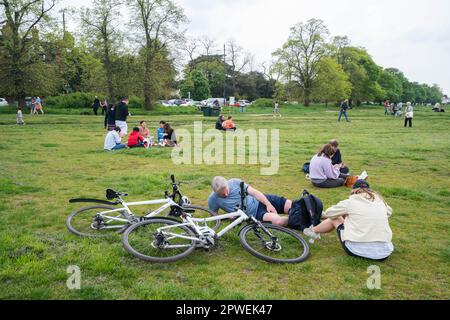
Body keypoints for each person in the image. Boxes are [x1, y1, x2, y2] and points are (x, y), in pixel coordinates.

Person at [303, 180, 394, 261]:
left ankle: (312, 231)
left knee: (336, 218)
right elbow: (389, 212)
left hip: (357, 250)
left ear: (354, 190)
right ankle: (313, 231)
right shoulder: (380, 201)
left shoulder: (351, 201)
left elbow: (329, 213)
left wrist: (345, 214)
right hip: (384, 252)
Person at [208, 177, 292, 226]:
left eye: (226, 191)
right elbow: (214, 215)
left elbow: (255, 193)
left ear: (227, 184)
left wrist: (268, 204)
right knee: (279, 221)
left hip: (261, 199)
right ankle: (298, 219)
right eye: (222, 195)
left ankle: (302, 211)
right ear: (215, 192)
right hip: (256, 213)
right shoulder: (213, 199)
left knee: (291, 205)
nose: (226, 195)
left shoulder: (235, 182)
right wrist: (228, 216)